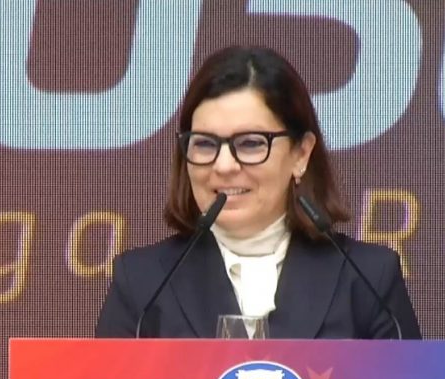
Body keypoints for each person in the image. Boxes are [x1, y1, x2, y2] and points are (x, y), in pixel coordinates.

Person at [95, 45, 421, 339]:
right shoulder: (142, 283)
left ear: (301, 154)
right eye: (205, 144)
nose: (224, 165)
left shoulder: (369, 279)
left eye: (250, 143)